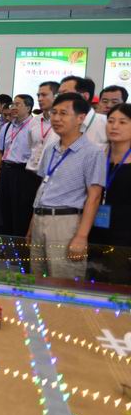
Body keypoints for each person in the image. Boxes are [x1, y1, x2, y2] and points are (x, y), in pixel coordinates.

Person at [28, 93, 105, 280]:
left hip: (66, 223)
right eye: (54, 112)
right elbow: (43, 187)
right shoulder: (51, 148)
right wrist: (32, 223)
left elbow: (94, 197)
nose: (56, 118)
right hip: (39, 218)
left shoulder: (92, 153)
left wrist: (81, 236)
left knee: (64, 282)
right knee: (36, 278)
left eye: (63, 113)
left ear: (80, 118)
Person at [88, 103, 131, 283]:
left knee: (118, 281)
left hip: (125, 234)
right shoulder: (97, 155)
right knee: (92, 279)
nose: (114, 126)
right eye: (111, 121)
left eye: (123, 122)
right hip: (95, 228)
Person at [0, 94, 37, 238]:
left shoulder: (34, 127)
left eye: (18, 104)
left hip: (24, 173)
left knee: (21, 211)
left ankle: (20, 246)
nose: (13, 107)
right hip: (6, 171)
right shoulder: (7, 127)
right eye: (13, 104)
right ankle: (5, 245)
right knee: (4, 209)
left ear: (28, 108)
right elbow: (0, 151)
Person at [59, 75, 107, 146]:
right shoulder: (58, 123)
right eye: (59, 94)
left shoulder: (106, 124)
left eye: (65, 94)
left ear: (85, 97)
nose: (59, 99)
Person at [26, 81, 60, 176]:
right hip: (31, 172)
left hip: (52, 174)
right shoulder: (34, 121)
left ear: (56, 96)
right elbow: (31, 146)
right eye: (38, 95)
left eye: (44, 95)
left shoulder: (62, 122)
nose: (40, 99)